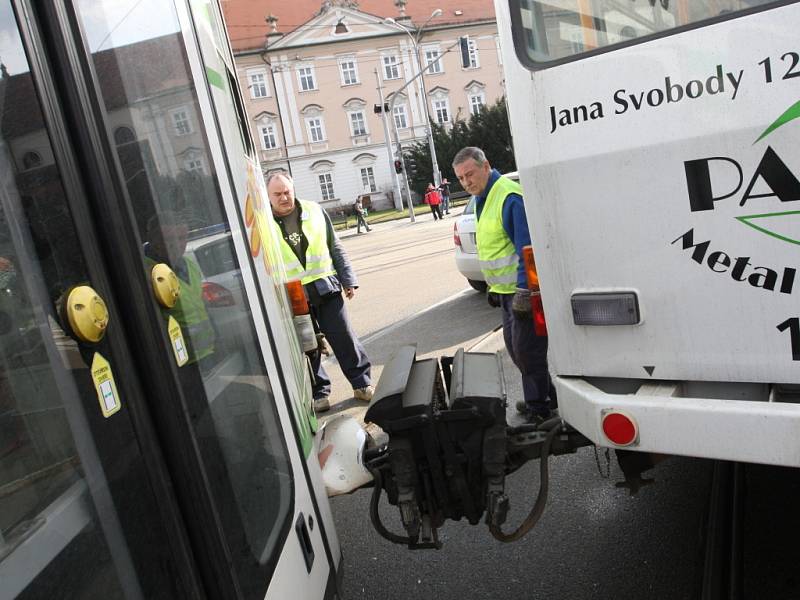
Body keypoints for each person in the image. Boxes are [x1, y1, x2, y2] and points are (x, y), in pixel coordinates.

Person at [452, 147, 554, 423]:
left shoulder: (508, 196)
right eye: (460, 179)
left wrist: (524, 290)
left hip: (524, 294)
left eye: (469, 174)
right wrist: (495, 288)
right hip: (506, 294)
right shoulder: (483, 198)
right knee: (514, 347)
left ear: (486, 166)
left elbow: (527, 250)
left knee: (526, 351)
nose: (466, 183)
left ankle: (539, 409)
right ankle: (549, 395)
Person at [267, 171, 373, 412]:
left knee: (343, 337)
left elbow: (334, 245)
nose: (284, 198)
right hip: (292, 295)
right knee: (308, 346)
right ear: (268, 196)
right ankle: (319, 393)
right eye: (277, 194)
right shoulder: (263, 223)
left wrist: (348, 279)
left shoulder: (314, 210)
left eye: (287, 192)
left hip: (326, 287)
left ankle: (361, 383)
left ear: (293, 190)